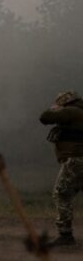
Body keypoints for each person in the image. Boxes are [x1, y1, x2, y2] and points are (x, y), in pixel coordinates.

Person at [40, 91, 83, 247]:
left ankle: (65, 234)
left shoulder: (73, 111)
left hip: (76, 161)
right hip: (79, 160)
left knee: (61, 194)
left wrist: (55, 109)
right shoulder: (79, 112)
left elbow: (44, 117)